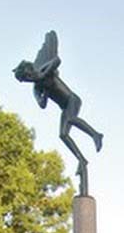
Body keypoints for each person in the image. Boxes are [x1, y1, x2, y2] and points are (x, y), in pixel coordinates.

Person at [14, 31, 103, 195]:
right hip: (64, 107)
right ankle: (81, 159)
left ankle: (96, 135)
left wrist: (44, 74)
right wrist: (44, 93)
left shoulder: (43, 70)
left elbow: (57, 60)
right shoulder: (37, 88)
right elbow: (42, 105)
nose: (29, 80)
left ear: (30, 71)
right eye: (26, 80)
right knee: (63, 134)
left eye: (28, 77)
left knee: (72, 119)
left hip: (72, 100)